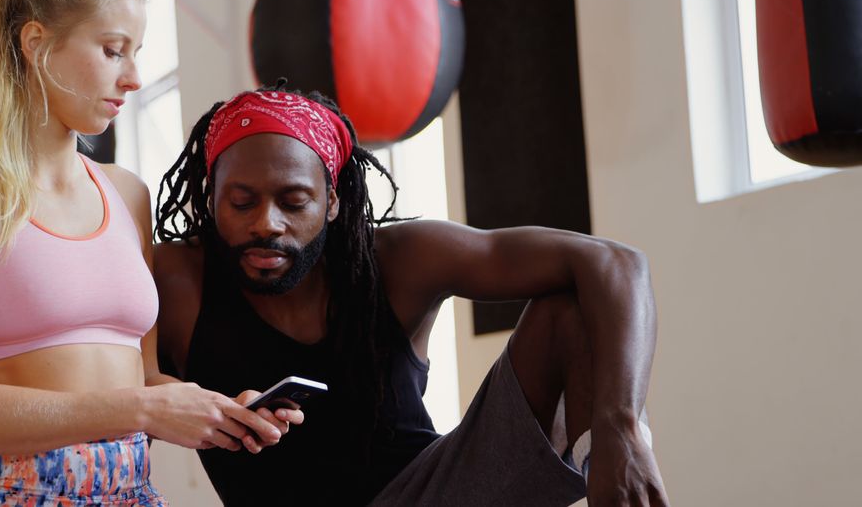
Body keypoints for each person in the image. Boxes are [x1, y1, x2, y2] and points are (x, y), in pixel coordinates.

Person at [0, 0, 298, 505]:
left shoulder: (127, 193)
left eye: (136, 54)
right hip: (2, 493)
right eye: (113, 51)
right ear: (35, 44)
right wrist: (142, 407)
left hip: (128, 490)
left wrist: (213, 410)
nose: (132, 77)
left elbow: (143, 377)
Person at [152, 85, 670, 506]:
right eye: (241, 203)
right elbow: (107, 381)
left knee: (571, 307)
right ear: (210, 198)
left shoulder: (402, 259)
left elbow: (616, 262)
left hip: (430, 494)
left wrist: (619, 425)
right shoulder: (177, 282)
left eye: (293, 201)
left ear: (331, 202)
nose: (266, 223)